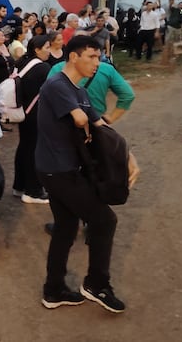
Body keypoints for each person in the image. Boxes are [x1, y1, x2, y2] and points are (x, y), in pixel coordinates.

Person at [35, 35, 139, 313]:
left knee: (66, 229)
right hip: (57, 171)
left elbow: (99, 126)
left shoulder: (79, 91)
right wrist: (87, 123)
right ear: (73, 57)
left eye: (99, 57)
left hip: (65, 169)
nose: (98, 62)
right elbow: (82, 120)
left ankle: (53, 290)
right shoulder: (56, 85)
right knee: (105, 220)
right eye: (92, 57)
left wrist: (127, 156)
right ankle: (96, 284)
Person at [12, 35, 51, 204]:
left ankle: (19, 186)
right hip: (35, 114)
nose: (49, 51)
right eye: (47, 47)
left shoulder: (22, 62)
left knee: (24, 148)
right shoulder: (43, 68)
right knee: (34, 151)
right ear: (37, 49)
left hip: (22, 112)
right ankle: (32, 191)